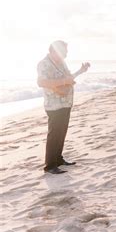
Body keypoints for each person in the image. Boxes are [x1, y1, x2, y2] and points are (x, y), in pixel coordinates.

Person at [37, 40, 90, 174]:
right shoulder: (44, 64)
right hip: (54, 106)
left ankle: (58, 159)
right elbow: (41, 82)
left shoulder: (62, 62)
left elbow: (69, 77)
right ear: (55, 50)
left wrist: (81, 71)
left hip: (66, 103)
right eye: (64, 51)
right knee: (54, 134)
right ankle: (50, 166)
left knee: (62, 133)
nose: (66, 54)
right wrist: (63, 81)